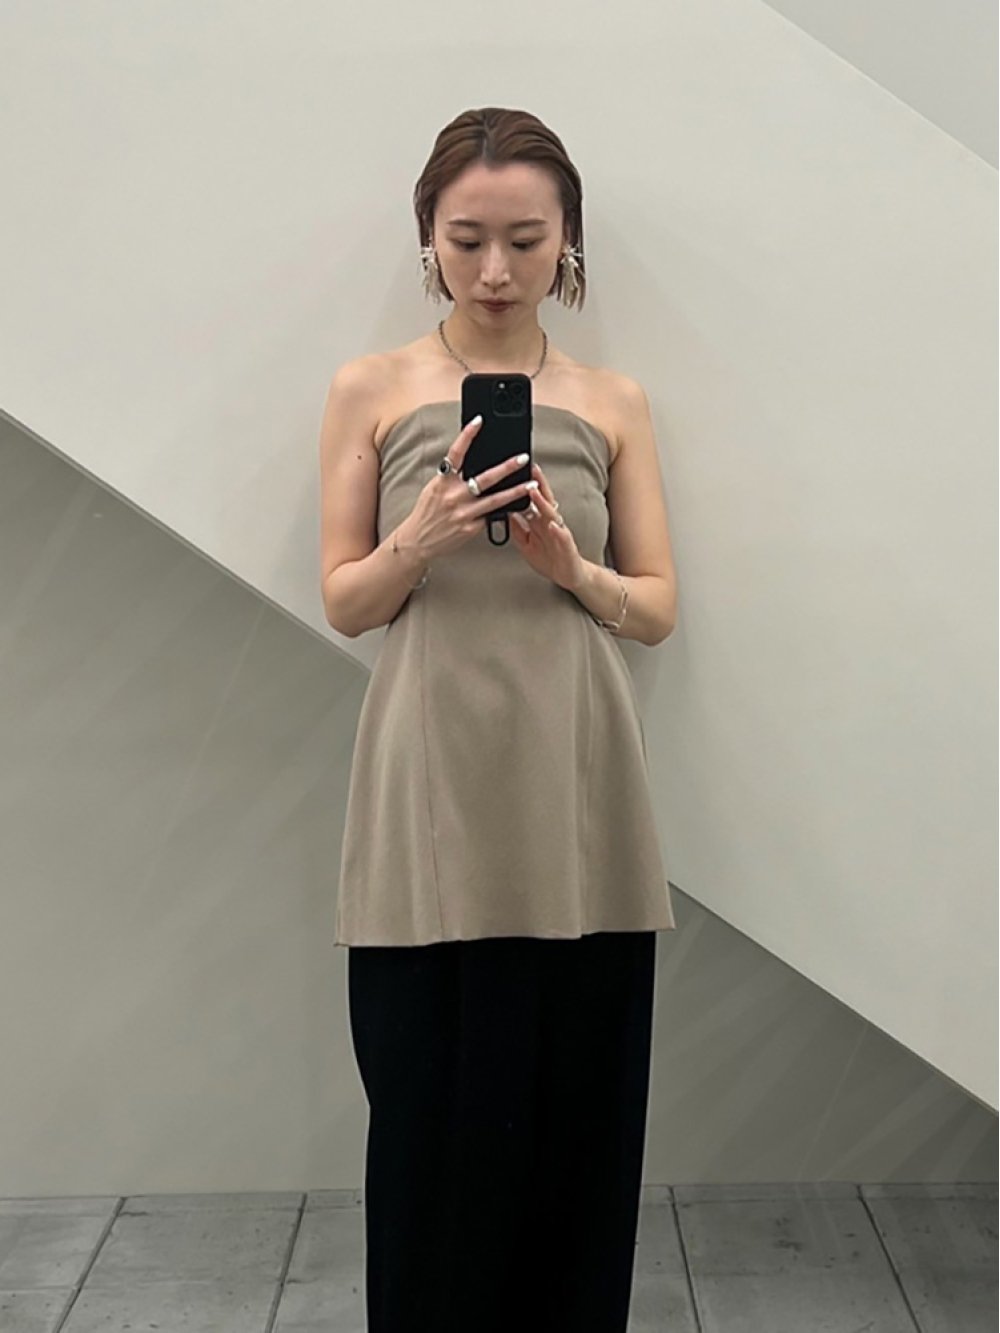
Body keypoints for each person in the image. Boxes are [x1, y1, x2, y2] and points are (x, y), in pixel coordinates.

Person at [318, 106, 678, 1333]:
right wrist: (418, 536)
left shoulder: (613, 400)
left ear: (567, 238)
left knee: (580, 1118)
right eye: (466, 239)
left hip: (577, 781)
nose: (493, 270)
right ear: (426, 234)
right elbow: (346, 603)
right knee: (425, 1116)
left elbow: (657, 609)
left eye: (525, 241)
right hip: (425, 779)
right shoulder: (370, 388)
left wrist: (571, 569)